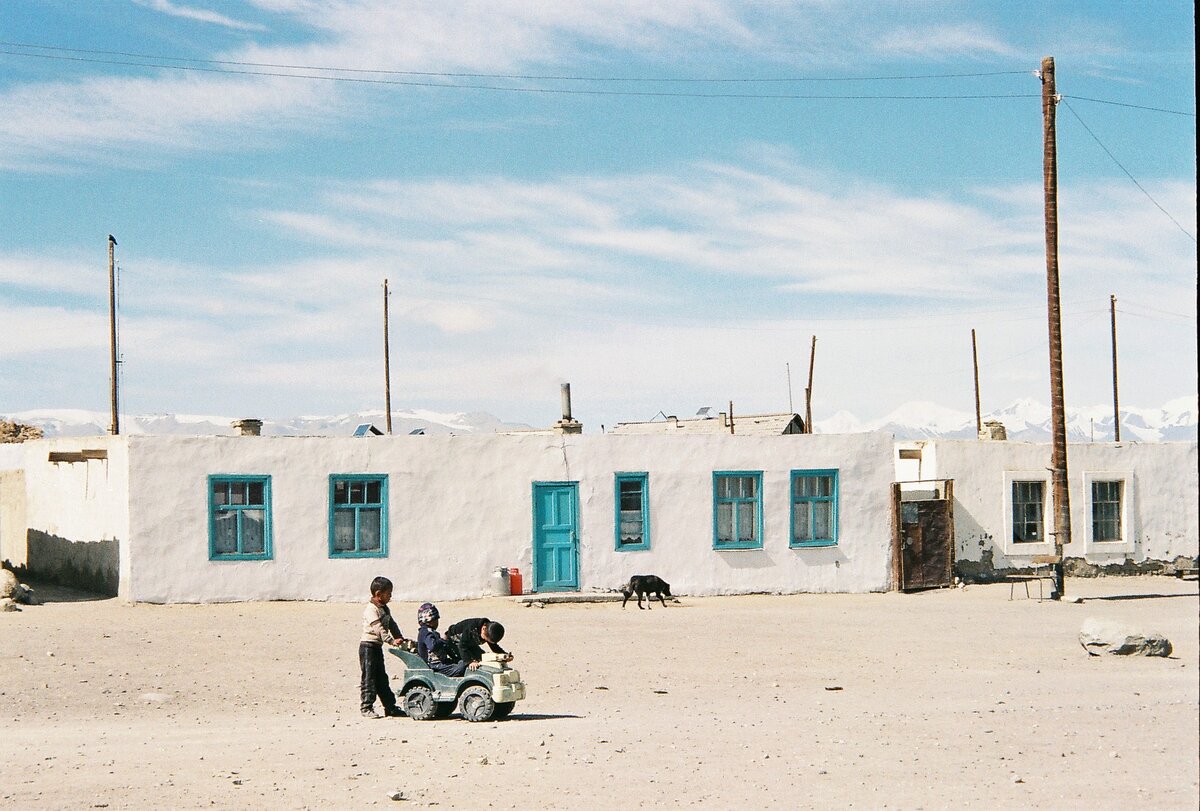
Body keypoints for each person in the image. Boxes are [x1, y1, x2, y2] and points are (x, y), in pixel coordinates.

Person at [360, 576, 408, 719]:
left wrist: (400, 637)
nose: (390, 596)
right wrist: (391, 641)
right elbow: (379, 630)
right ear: (378, 594)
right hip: (368, 647)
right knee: (369, 678)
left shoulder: (384, 609)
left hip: (376, 647)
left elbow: (391, 624)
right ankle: (366, 707)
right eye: (388, 593)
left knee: (382, 678)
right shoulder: (371, 610)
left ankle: (390, 707)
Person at [416, 603, 467, 677]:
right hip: (434, 665)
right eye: (436, 619)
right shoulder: (426, 632)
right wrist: (443, 639)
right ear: (430, 621)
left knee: (461, 661)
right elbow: (432, 646)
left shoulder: (430, 632)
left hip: (441, 663)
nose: (437, 622)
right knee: (462, 666)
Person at [445, 617, 512, 670]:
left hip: (470, 643)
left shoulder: (489, 630)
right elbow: (462, 646)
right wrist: (470, 662)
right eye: (485, 639)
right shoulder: (471, 629)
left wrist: (504, 655)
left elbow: (494, 646)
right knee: (465, 663)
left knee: (482, 658)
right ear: (483, 628)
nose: (485, 640)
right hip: (453, 641)